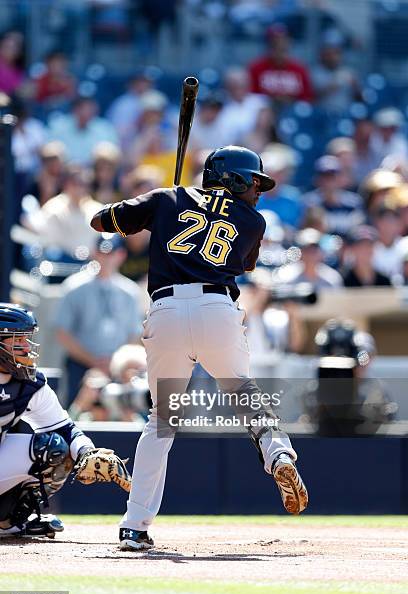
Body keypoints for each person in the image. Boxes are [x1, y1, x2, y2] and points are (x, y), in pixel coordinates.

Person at [91, 145, 309, 551]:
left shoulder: (166, 198)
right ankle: (277, 453)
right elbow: (242, 266)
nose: (257, 192)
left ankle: (134, 526)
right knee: (244, 393)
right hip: (217, 309)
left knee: (161, 421)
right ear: (234, 179)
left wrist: (156, 209)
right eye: (253, 182)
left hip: (167, 310)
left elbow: (101, 221)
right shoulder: (253, 221)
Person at [0, 303, 129, 538]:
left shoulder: (29, 383)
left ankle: (7, 523)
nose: (26, 347)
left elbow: (64, 429)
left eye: (27, 339)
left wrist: (88, 452)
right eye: (17, 341)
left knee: (56, 448)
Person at [54, 234, 143, 406]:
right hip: (80, 366)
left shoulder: (130, 291)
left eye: (111, 253)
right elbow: (62, 332)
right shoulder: (74, 287)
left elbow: (134, 334)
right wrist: (92, 360)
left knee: (123, 416)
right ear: (94, 253)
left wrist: (116, 362)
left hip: (118, 369)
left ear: (121, 255)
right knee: (75, 414)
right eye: (102, 253)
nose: (106, 258)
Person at [248, 24, 313, 109]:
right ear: (268, 45)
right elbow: (251, 98)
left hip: (293, 113)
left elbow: (307, 99)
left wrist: (290, 100)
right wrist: (272, 99)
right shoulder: (256, 68)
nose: (280, 44)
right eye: (275, 42)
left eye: (283, 41)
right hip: (264, 112)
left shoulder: (299, 69)